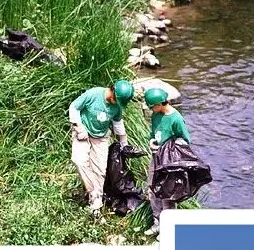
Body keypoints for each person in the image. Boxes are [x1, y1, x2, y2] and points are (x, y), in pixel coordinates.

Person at [68, 80, 135, 215]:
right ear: (112, 92)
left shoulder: (117, 107)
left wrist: (124, 144)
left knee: (100, 170)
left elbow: (118, 124)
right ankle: (92, 191)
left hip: (101, 137)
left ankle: (96, 203)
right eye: (117, 100)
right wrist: (78, 126)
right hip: (83, 133)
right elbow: (74, 107)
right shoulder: (93, 94)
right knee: (79, 161)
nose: (117, 104)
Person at [142, 87, 192, 237]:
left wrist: (168, 148)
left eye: (152, 106)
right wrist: (152, 141)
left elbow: (185, 141)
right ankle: (157, 222)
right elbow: (153, 133)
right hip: (155, 157)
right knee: (153, 188)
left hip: (169, 162)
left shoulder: (176, 119)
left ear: (160, 104)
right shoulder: (156, 116)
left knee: (167, 193)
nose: (151, 109)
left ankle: (169, 228)